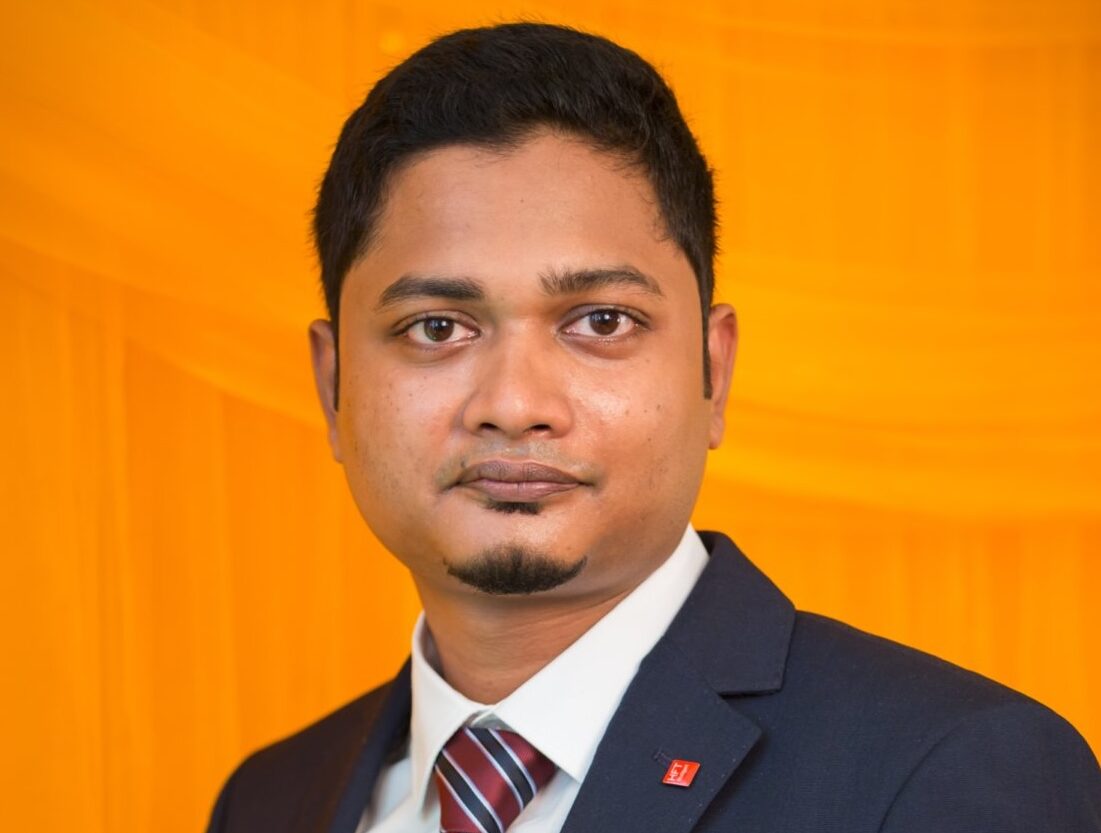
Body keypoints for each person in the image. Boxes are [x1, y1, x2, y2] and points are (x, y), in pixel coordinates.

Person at [206, 21, 1101, 833]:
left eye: (600, 321)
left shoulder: (950, 773)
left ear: (714, 369)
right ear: (333, 386)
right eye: (437, 328)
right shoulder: (270, 800)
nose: (515, 404)